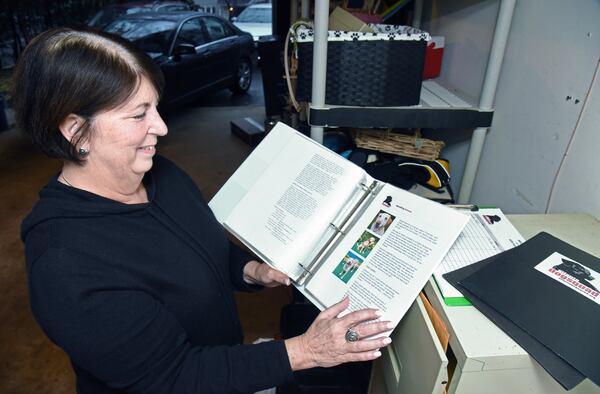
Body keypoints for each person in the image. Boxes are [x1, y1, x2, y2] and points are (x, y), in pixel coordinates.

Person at [13, 27, 392, 393]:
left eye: (156, 108)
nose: (160, 127)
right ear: (75, 129)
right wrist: (307, 351)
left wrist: (252, 271)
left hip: (226, 366)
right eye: (138, 114)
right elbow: (172, 377)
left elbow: (201, 252)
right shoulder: (64, 261)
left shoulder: (160, 172)